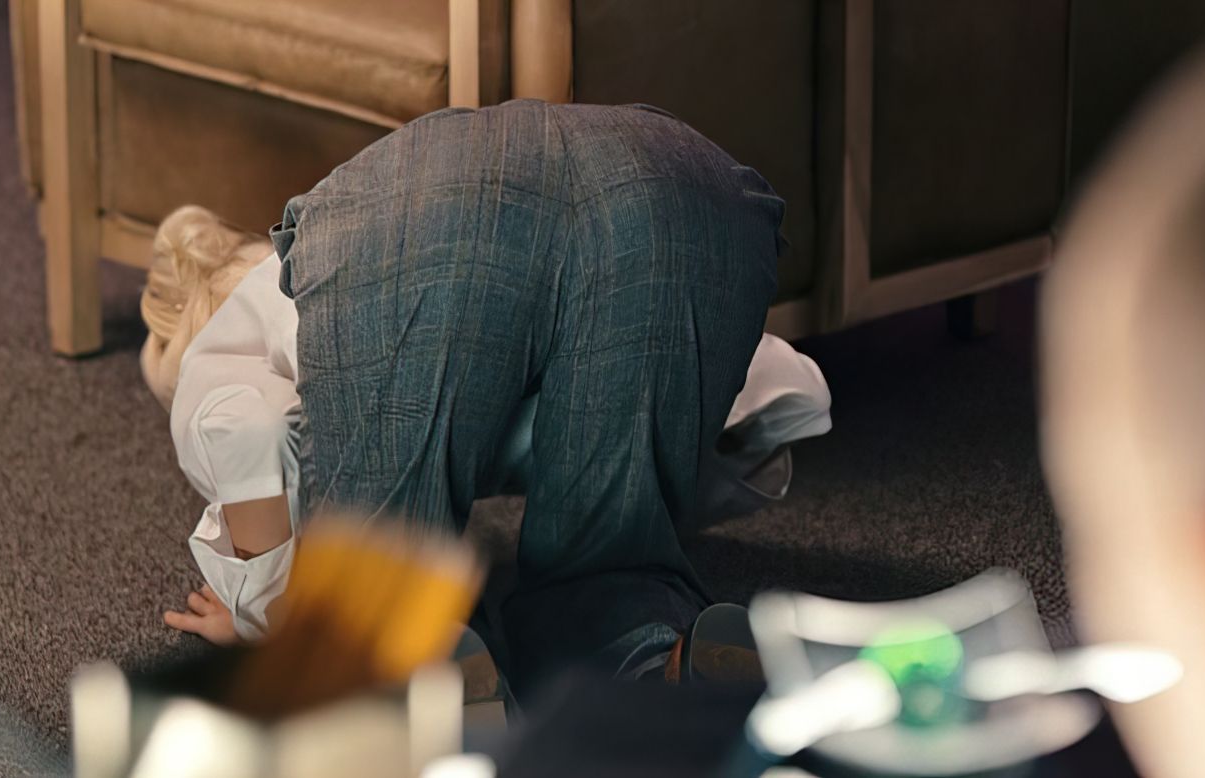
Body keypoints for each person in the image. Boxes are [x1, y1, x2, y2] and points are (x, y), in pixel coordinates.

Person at [146, 100, 831, 689]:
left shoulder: (218, 348)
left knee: (376, 610)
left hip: (426, 219)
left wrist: (262, 622)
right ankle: (659, 663)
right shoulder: (304, 273)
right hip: (686, 182)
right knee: (608, 563)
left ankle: (421, 674)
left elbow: (245, 428)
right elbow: (776, 387)